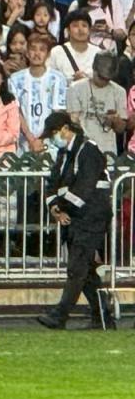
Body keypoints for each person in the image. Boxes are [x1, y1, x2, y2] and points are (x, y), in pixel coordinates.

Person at [37, 111, 113, 329]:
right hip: (75, 217)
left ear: (65, 129)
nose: (53, 139)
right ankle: (103, 318)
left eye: (53, 133)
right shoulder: (64, 154)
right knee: (86, 270)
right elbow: (53, 183)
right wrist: (54, 207)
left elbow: (83, 189)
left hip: (91, 217)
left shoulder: (88, 150)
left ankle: (59, 315)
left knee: (77, 267)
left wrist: (62, 208)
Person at [65, 51, 126, 155]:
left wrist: (115, 120)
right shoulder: (76, 88)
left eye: (107, 79)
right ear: (94, 68)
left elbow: (121, 130)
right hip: (81, 149)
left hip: (107, 150)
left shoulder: (119, 92)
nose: (103, 81)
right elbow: (72, 122)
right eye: (101, 77)